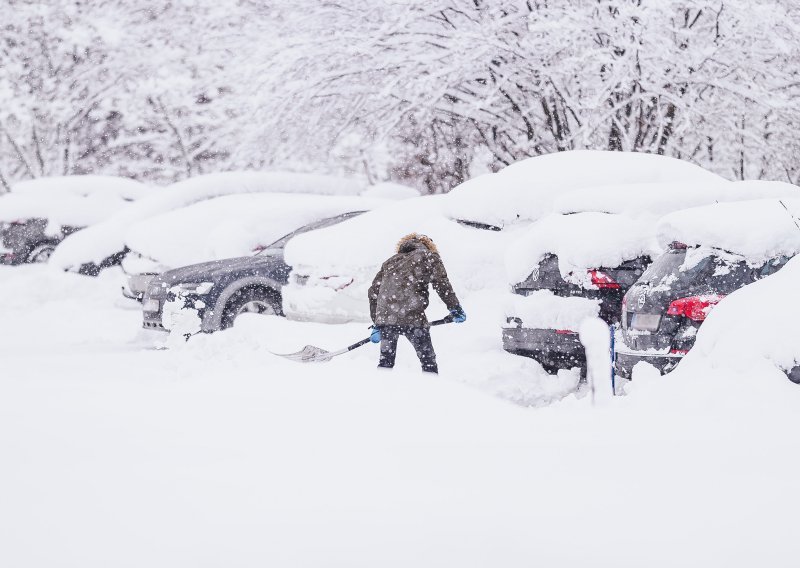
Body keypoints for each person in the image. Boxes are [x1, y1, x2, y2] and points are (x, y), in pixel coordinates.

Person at [367, 233, 466, 373]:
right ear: (429, 246)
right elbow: (442, 284)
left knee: (385, 363)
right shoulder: (429, 256)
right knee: (428, 362)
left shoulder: (390, 262)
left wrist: (378, 323)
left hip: (387, 320)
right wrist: (455, 308)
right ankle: (430, 390)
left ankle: (380, 391)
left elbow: (373, 292)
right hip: (413, 319)